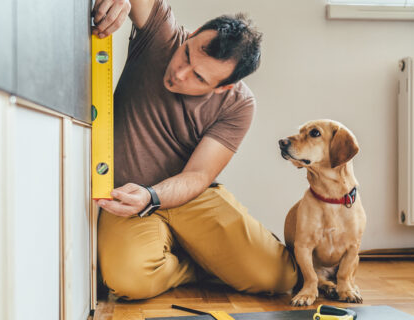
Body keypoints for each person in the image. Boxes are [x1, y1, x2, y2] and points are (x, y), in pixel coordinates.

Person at [90, 0, 298, 300]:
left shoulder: (239, 104)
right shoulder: (161, 36)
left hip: (189, 195)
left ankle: (201, 255)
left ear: (223, 87)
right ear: (195, 33)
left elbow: (199, 175)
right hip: (126, 197)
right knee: (129, 281)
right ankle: (197, 265)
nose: (180, 73)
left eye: (199, 77)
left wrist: (153, 196)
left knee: (280, 277)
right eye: (187, 55)